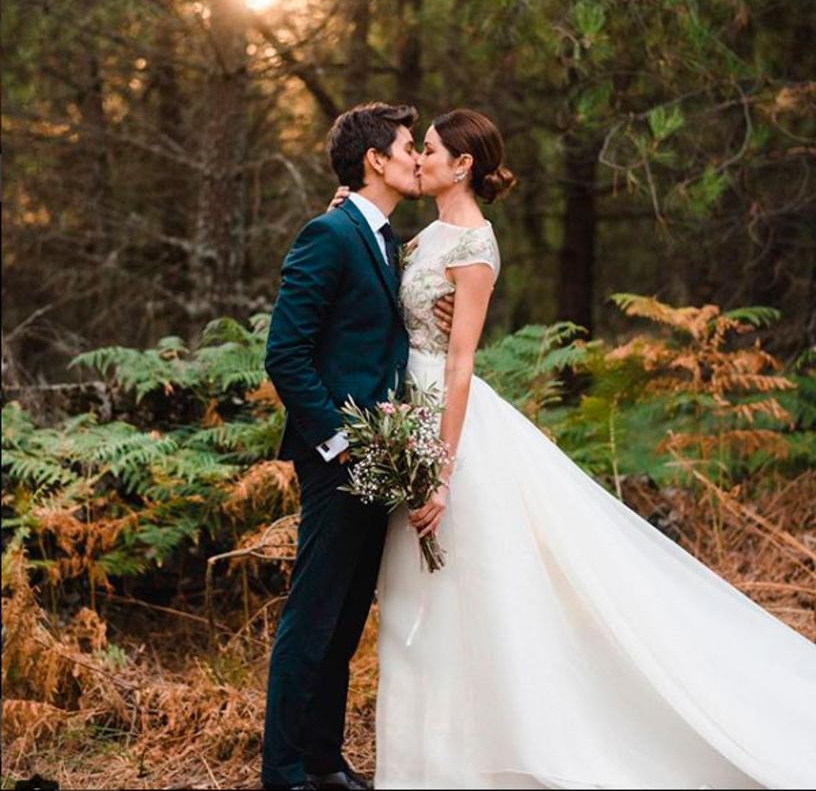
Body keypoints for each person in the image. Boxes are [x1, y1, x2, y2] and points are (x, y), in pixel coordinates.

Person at [331, 108, 816, 790]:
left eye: (431, 149)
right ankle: (424, 761)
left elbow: (461, 362)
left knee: (454, 585)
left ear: (461, 164)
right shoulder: (425, 235)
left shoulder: (475, 245)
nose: (420, 159)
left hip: (445, 421)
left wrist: (439, 469)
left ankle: (470, 758)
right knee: (418, 590)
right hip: (402, 405)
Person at [261, 101, 449, 791]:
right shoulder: (329, 234)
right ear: (375, 159)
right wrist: (340, 445)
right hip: (339, 458)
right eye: (407, 145)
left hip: (381, 457)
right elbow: (285, 355)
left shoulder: (380, 237)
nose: (416, 157)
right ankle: (281, 772)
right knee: (312, 617)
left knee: (343, 620)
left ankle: (323, 761)